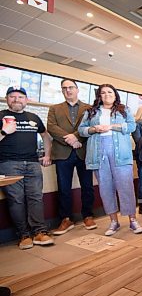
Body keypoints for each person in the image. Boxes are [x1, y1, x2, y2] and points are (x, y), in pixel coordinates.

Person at [79, 84, 142, 236]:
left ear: (115, 95)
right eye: (103, 92)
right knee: (105, 188)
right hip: (98, 154)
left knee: (125, 186)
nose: (107, 94)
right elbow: (82, 130)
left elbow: (132, 126)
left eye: (110, 92)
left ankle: (133, 220)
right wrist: (94, 129)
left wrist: (112, 126)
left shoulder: (123, 109)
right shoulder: (91, 112)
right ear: (99, 96)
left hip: (121, 154)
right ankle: (113, 221)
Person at [0, 86, 54, 249]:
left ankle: (40, 232)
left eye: (20, 96)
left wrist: (47, 155)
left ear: (26, 100)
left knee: (35, 198)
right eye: (12, 96)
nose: (16, 99)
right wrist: (4, 131)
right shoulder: (1, 116)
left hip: (32, 164)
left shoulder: (34, 117)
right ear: (7, 99)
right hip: (8, 164)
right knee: (16, 200)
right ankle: (24, 235)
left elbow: (45, 136)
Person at [47, 79, 96, 235]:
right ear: (62, 91)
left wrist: (76, 137)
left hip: (83, 151)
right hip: (62, 153)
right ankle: (66, 219)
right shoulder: (54, 109)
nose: (68, 90)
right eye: (64, 88)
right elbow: (51, 128)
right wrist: (69, 139)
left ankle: (88, 215)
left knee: (87, 187)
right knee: (64, 188)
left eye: (71, 87)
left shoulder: (89, 108)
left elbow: (90, 128)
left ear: (77, 89)